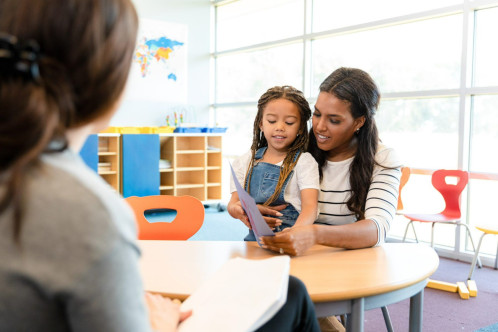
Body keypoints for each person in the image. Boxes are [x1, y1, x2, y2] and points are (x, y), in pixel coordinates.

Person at [0, 1, 320, 331]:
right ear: (113, 84)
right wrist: (163, 322)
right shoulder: (93, 213)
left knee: (290, 290)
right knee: (290, 295)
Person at [260, 67, 402, 256]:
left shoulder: (382, 159)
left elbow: (377, 229)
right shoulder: (297, 149)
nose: (319, 127)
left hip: (348, 263)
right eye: (317, 114)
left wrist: (314, 234)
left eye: (334, 120)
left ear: (359, 122)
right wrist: (259, 210)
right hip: (292, 257)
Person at [228, 86, 319, 241]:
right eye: (271, 121)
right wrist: (241, 212)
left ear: (300, 128)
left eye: (289, 122)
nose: (279, 127)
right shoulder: (245, 161)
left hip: (294, 240)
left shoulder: (304, 162)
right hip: (255, 241)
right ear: (261, 124)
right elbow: (232, 204)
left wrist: (294, 234)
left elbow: (310, 208)